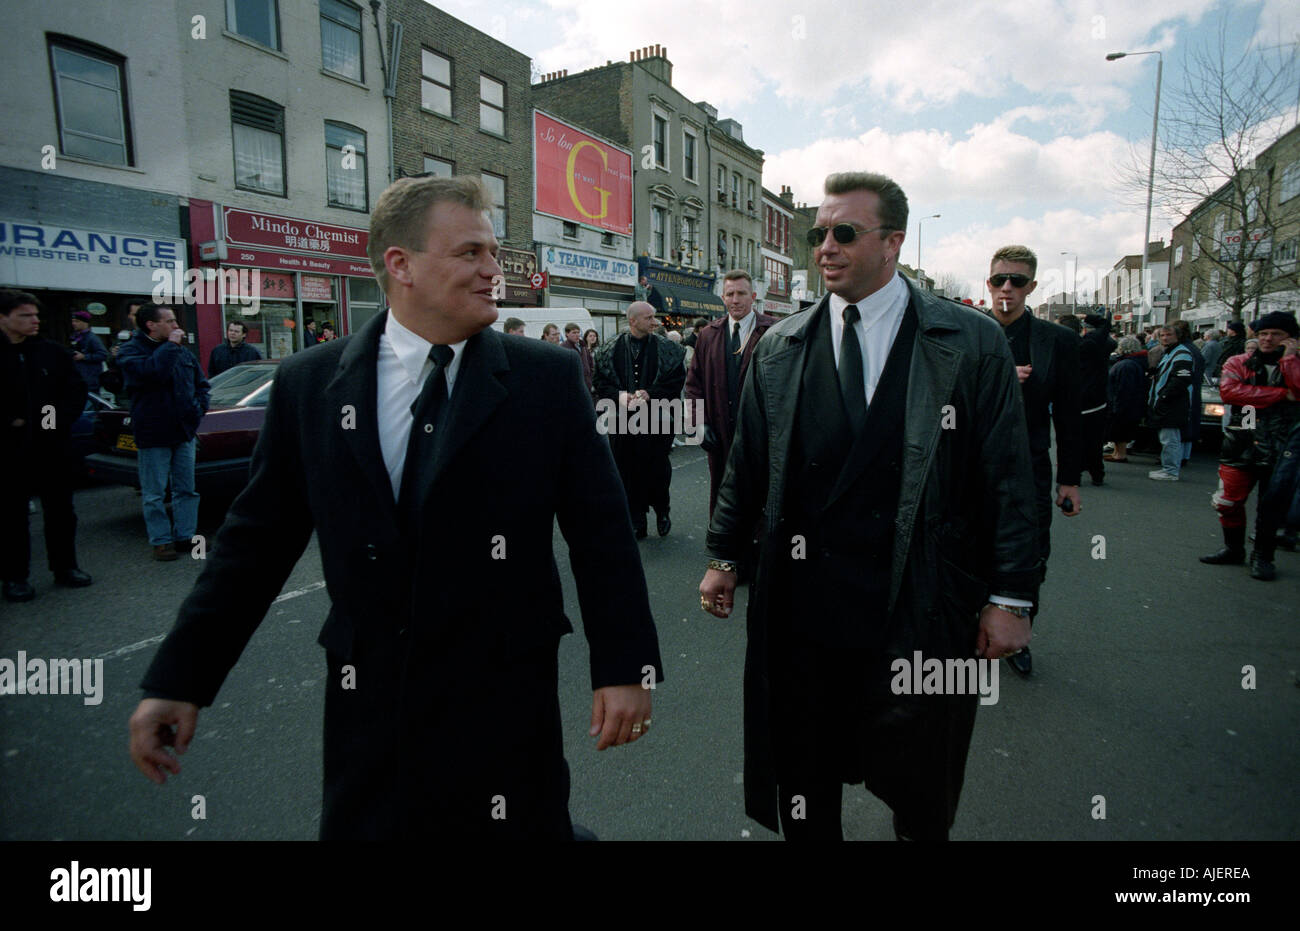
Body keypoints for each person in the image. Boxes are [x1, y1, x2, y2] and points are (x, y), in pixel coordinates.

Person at [127, 175, 662, 840]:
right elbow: (252, 545)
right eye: (471, 253)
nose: (494, 269)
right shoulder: (311, 384)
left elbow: (602, 533)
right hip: (370, 699)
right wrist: (180, 676)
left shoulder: (545, 379)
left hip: (503, 696)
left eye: (492, 252)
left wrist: (624, 666)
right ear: (400, 265)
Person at [699, 172, 1040, 841]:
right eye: (818, 233)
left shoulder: (969, 343)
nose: (824, 246)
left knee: (921, 786)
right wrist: (723, 555)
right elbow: (748, 465)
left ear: (892, 242)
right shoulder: (780, 345)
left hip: (920, 604)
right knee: (804, 779)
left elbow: (1007, 476)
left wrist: (1011, 596)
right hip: (803, 610)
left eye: (843, 232)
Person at [986, 245, 1083, 677]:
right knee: (969, 548)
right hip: (971, 462)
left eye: (1017, 281)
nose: (1007, 288)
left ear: (1032, 286)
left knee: (1029, 552)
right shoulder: (967, 331)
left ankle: (1019, 635)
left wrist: (1069, 480)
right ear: (987, 283)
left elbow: (1069, 412)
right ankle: (975, 630)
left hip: (1028, 462)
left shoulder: (1057, 341)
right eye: (999, 279)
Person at [0, 290, 94, 601]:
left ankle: (65, 567)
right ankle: (15, 577)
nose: (34, 320)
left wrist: (47, 423)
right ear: (4, 318)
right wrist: (12, 421)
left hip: (51, 446)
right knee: (12, 516)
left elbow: (70, 393)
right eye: (25, 315)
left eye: (36, 315)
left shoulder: (51, 353)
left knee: (61, 511)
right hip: (9, 451)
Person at [1201, 312, 1300, 580]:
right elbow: (1230, 392)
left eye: (1276, 334)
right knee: (1227, 500)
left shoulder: (1293, 363)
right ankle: (1233, 549)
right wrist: (1281, 394)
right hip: (1242, 440)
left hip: (1283, 445)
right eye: (1264, 333)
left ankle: (1263, 556)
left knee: (1271, 508)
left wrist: (1290, 361)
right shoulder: (1238, 361)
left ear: (1290, 338)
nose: (1268, 339)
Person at [116, 304, 211, 561]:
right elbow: (153, 373)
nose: (176, 326)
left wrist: (199, 408)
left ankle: (186, 535)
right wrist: (169, 346)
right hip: (153, 432)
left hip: (183, 430)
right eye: (169, 321)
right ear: (151, 324)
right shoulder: (131, 352)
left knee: (186, 488)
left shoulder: (182, 352)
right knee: (155, 492)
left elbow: (201, 385)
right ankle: (161, 541)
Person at [684, 269, 776, 514]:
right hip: (720, 433)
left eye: (741, 293)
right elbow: (694, 386)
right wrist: (699, 424)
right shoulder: (707, 335)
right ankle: (724, 546)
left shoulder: (774, 331)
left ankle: (758, 547)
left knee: (760, 498)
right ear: (723, 298)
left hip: (760, 435)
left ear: (753, 296)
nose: (735, 300)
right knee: (723, 497)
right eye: (730, 294)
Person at [593, 302, 686, 538]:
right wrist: (620, 395)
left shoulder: (668, 349)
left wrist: (650, 394)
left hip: (656, 421)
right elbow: (601, 383)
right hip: (622, 423)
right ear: (632, 321)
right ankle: (637, 519)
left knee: (658, 470)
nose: (654, 321)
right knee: (626, 471)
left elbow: (675, 382)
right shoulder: (609, 349)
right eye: (648, 317)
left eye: (654, 316)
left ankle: (662, 511)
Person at [1146, 325, 1195, 482]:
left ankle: (1171, 471)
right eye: (1162, 335)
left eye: (1169, 335)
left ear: (1177, 336)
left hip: (1173, 403)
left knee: (1170, 439)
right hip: (1167, 401)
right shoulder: (1171, 352)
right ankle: (1168, 468)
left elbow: (1181, 379)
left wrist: (1164, 397)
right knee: (1167, 438)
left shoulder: (1182, 353)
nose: (1165, 338)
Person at [1078, 314, 1116, 486]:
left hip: (1077, 398)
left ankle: (1075, 472)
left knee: (1074, 439)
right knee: (1094, 440)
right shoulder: (1100, 344)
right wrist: (1089, 316)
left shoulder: (1078, 345)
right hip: (1098, 400)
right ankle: (1097, 474)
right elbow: (1105, 324)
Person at [1105, 336, 1147, 463]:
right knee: (1119, 430)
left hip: (1123, 404)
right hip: (1128, 403)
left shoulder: (1126, 365)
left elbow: (1124, 388)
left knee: (1120, 430)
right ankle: (1117, 452)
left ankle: (1120, 454)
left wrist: (1117, 405)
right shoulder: (1133, 363)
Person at [1173, 319, 1206, 466]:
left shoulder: (1182, 350)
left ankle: (1177, 458)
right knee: (1188, 423)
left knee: (1180, 424)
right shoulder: (1193, 348)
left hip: (1185, 391)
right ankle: (1184, 455)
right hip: (1192, 389)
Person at [69, 310, 108, 392]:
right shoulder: (75, 337)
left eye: (77, 321)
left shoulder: (92, 338)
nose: (74, 324)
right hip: (79, 380)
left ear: (85, 323)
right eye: (73, 321)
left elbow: (103, 355)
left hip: (90, 382)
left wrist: (84, 357)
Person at [562, 322, 594, 395]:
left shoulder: (583, 345)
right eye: (574, 333)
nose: (577, 335)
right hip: (574, 386)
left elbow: (590, 363)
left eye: (578, 332)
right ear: (567, 334)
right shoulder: (564, 347)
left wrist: (590, 377)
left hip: (587, 384)